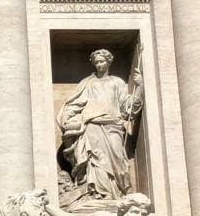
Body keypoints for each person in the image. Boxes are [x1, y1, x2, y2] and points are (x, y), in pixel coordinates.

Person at [57, 48, 142, 202]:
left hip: (113, 126)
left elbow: (127, 107)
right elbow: (76, 103)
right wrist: (67, 117)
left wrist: (140, 87)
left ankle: (119, 190)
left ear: (109, 62)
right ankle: (99, 193)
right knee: (95, 160)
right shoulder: (87, 83)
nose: (99, 65)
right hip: (92, 125)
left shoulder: (117, 82)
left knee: (117, 157)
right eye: (96, 62)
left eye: (102, 61)